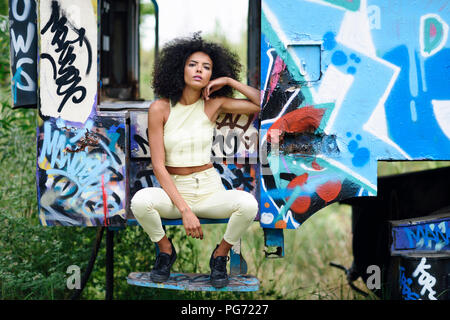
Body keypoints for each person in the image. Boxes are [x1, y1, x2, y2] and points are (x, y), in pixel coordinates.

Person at [130, 34, 260, 288]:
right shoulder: (160, 108)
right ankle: (166, 251)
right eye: (193, 64)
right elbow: (158, 165)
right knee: (140, 202)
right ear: (180, 68)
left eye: (207, 67)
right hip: (174, 192)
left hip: (208, 189)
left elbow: (260, 102)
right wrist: (185, 210)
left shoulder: (214, 104)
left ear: (213, 74)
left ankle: (219, 256)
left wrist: (229, 80)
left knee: (247, 204)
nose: (200, 70)